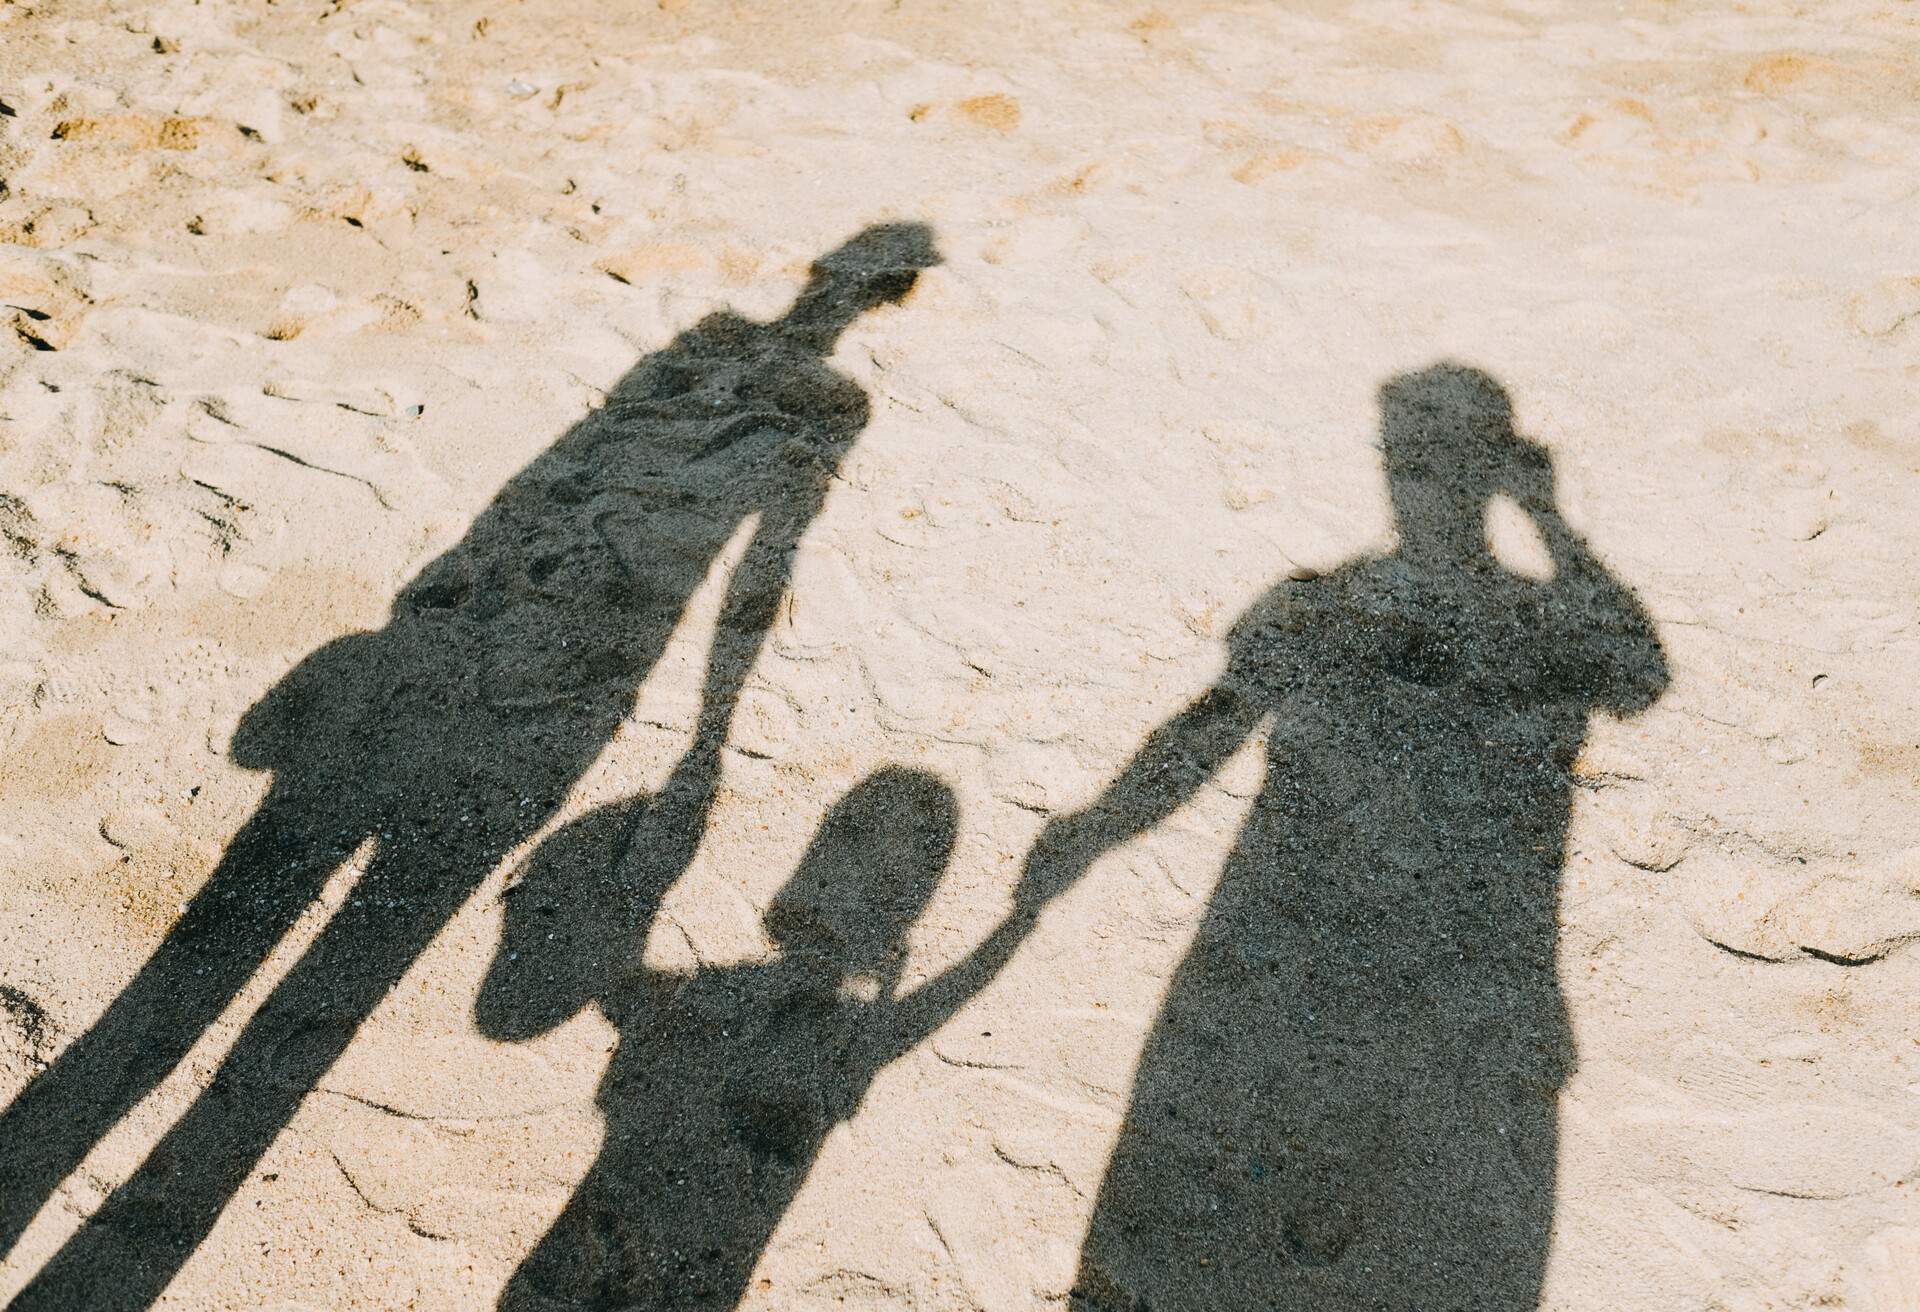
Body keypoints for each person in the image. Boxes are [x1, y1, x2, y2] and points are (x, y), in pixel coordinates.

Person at [1, 223, 941, 1310]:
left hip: (459, 666)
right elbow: (755, 565)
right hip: (568, 691)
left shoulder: (720, 350)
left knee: (191, 975)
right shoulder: (815, 397)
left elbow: (556, 482)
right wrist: (708, 730)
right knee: (321, 983)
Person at [1018, 364, 1669, 1310]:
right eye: (1408, 460)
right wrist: (1551, 518)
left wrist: (1101, 829)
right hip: (1381, 935)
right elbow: (1638, 673)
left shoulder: (1355, 605)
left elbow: (1642, 676)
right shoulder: (1364, 606)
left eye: (1430, 463)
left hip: (1379, 938)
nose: (1419, 486)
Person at [478, 766, 1030, 1310]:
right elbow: (928, 1012)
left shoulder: (740, 1000)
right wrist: (1020, 919)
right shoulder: (836, 1025)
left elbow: (614, 987)